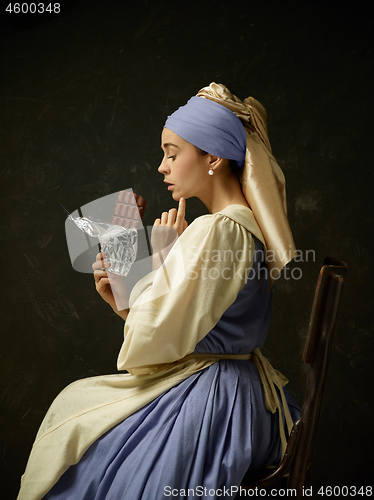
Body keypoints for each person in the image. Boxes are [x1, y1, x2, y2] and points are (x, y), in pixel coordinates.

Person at [18, 83, 301, 500]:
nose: (161, 167)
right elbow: (178, 332)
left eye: (172, 153)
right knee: (77, 407)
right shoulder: (241, 227)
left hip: (214, 401)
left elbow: (155, 344)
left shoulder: (217, 229)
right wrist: (127, 303)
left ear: (213, 157)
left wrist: (162, 259)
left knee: (80, 422)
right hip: (243, 395)